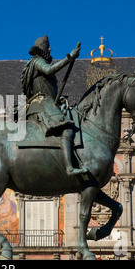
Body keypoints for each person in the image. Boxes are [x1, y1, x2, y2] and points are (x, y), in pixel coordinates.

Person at [22, 35, 88, 177]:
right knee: (67, 130)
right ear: (42, 49)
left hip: (46, 102)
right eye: (48, 46)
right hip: (41, 103)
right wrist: (69, 57)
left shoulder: (34, 63)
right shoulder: (37, 61)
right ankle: (69, 168)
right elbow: (49, 70)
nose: (50, 49)